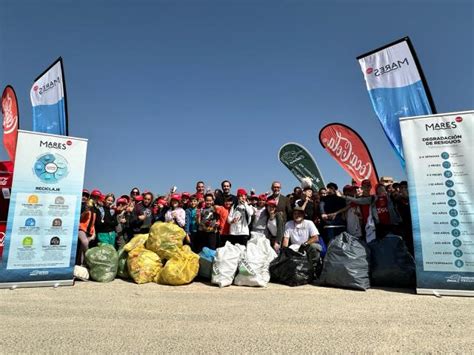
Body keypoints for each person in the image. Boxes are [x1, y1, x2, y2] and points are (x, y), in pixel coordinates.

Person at [282, 205, 326, 279]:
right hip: (294, 248)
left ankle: (314, 269)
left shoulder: (309, 223)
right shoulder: (288, 224)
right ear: (292, 215)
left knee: (316, 247)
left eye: (299, 213)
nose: (297, 215)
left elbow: (316, 238)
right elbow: (286, 239)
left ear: (303, 215)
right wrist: (284, 250)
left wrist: (305, 244)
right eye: (295, 214)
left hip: (306, 246)